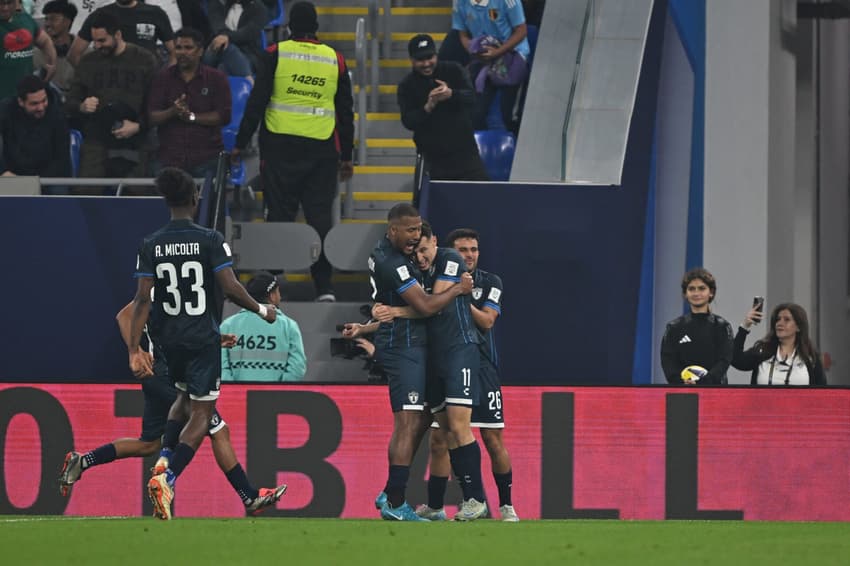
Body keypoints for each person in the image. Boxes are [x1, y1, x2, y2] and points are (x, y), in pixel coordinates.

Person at [127, 167, 277, 520]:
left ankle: (164, 459)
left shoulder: (150, 243)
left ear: (167, 202)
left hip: (167, 340)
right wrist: (261, 310)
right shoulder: (210, 238)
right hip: (200, 338)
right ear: (196, 199)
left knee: (181, 397)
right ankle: (170, 479)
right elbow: (229, 286)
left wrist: (135, 348)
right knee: (203, 413)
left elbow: (141, 299)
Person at [57, 301, 287, 516]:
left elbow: (181, 334)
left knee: (149, 444)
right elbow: (125, 316)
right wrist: (135, 351)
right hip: (165, 374)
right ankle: (247, 496)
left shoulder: (177, 283)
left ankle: (83, 461)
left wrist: (215, 340)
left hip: (164, 373)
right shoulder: (161, 284)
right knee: (217, 429)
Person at [232, 1, 354, 303]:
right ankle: (325, 289)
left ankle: (270, 287)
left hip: (279, 150)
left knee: (278, 217)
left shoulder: (275, 54)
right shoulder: (334, 59)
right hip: (322, 150)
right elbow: (346, 113)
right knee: (320, 220)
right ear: (316, 27)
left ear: (289, 27)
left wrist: (241, 142)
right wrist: (347, 156)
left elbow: (257, 101)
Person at [374, 221, 488, 521]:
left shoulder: (450, 258)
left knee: (458, 424)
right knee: (444, 431)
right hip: (435, 357)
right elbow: (422, 304)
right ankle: (435, 503)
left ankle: (476, 498)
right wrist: (370, 321)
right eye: (416, 253)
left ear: (435, 241)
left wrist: (394, 310)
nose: (421, 257)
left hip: (459, 350)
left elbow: (430, 306)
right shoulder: (418, 270)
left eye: (424, 249)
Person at [414, 227, 518, 522]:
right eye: (463, 249)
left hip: (481, 367)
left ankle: (506, 505)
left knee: (492, 438)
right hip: (446, 362)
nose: (469, 255)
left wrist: (459, 296)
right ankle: (437, 506)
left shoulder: (490, 282)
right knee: (440, 440)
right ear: (450, 253)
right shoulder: (437, 276)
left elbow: (487, 321)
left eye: (473, 249)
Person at [64, 10, 157, 182]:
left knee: (139, 194)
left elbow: (157, 104)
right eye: (94, 41)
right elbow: (70, 101)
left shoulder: (144, 59)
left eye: (102, 40)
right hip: (97, 137)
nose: (97, 46)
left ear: (118, 34)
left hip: (137, 136)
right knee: (87, 192)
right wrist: (81, 106)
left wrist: (138, 126)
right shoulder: (88, 62)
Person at [397, 34, 488, 182]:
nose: (426, 63)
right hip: (433, 160)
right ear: (412, 60)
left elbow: (472, 98)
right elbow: (408, 121)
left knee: (482, 198)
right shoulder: (406, 86)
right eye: (420, 60)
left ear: (436, 55)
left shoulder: (454, 70)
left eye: (430, 57)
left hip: (466, 155)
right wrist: (428, 107)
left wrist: (451, 94)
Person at [148, 26, 231, 178]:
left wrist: (192, 117)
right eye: (178, 48)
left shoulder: (216, 78)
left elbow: (224, 116)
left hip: (207, 157)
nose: (182, 52)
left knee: (209, 198)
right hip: (169, 158)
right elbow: (152, 116)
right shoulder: (162, 77)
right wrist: (172, 111)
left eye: (188, 48)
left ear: (200, 51)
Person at [452, 0, 530, 133]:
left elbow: (521, 30)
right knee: (475, 113)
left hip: (512, 54)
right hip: (483, 59)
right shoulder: (459, 3)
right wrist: (473, 50)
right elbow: (463, 34)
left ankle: (516, 144)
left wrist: (498, 52)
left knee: (509, 115)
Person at [221, 271, 307, 382]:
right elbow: (297, 367)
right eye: (278, 292)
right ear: (272, 296)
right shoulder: (289, 326)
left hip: (238, 397)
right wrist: (280, 390)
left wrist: (234, 391)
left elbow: (220, 367)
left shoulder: (228, 325)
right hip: (276, 398)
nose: (280, 296)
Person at [660, 268, 734, 385]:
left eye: (702, 288)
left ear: (711, 292)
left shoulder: (722, 326)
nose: (696, 293)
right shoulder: (674, 327)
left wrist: (703, 383)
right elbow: (668, 361)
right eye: (691, 289)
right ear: (685, 294)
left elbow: (724, 361)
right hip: (682, 393)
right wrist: (681, 382)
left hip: (716, 393)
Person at [732, 302, 827, 385]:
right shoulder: (763, 351)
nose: (780, 323)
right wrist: (744, 327)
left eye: (787, 319)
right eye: (778, 319)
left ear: (798, 327)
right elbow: (736, 360)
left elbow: (823, 394)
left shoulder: (810, 358)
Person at [0, 75, 70, 178]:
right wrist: (3, 171)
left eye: (44, 100)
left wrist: (37, 181)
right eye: (34, 104)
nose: (41, 107)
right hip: (13, 173)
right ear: (21, 102)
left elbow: (61, 157)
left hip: (50, 176)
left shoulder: (57, 113)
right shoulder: (5, 111)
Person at [68, 0, 175, 67]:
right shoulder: (100, 14)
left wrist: (165, 80)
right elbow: (73, 55)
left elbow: (175, 51)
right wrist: (93, 80)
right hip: (113, 89)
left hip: (149, 86)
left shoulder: (155, 13)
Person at [0, 0, 56, 100]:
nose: (5, 8)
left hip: (26, 96)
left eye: (9, 3)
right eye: (1, 3)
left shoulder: (26, 20)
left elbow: (45, 41)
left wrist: (52, 64)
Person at [203, 0, 267, 79]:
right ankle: (250, 83)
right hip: (217, 48)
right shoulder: (218, 3)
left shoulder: (259, 8)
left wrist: (228, 38)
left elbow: (247, 33)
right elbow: (217, 27)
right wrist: (226, 38)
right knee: (219, 48)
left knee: (223, 67)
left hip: (247, 53)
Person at [33, 0, 76, 100]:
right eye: (46, 19)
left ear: (67, 21)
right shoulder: (35, 54)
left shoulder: (85, 53)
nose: (47, 24)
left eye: (53, 19)